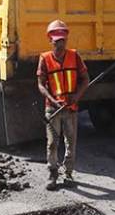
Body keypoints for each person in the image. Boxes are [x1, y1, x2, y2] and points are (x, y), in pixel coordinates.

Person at [37, 20, 89, 191]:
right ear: (49, 40)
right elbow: (41, 84)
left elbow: (85, 80)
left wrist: (77, 96)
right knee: (52, 143)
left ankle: (68, 173)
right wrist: (52, 100)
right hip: (52, 110)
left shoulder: (74, 56)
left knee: (71, 142)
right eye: (56, 40)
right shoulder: (44, 58)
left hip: (70, 109)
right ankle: (52, 173)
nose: (60, 43)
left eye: (63, 40)